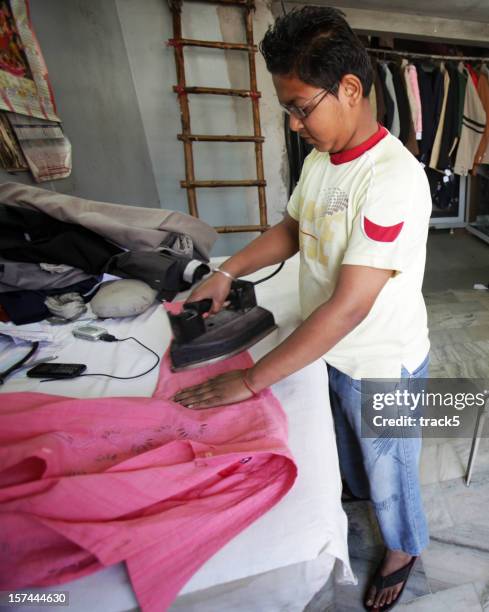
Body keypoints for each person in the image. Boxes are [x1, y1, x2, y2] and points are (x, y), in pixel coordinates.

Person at [173, 6, 432, 610]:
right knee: (349, 451)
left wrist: (251, 380)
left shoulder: (391, 179)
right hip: (331, 351)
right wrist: (226, 269)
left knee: (392, 471)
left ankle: (404, 547)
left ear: (349, 89)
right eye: (287, 108)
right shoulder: (322, 159)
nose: (293, 124)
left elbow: (347, 307)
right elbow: (294, 227)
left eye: (299, 106)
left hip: (380, 362)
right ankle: (357, 494)